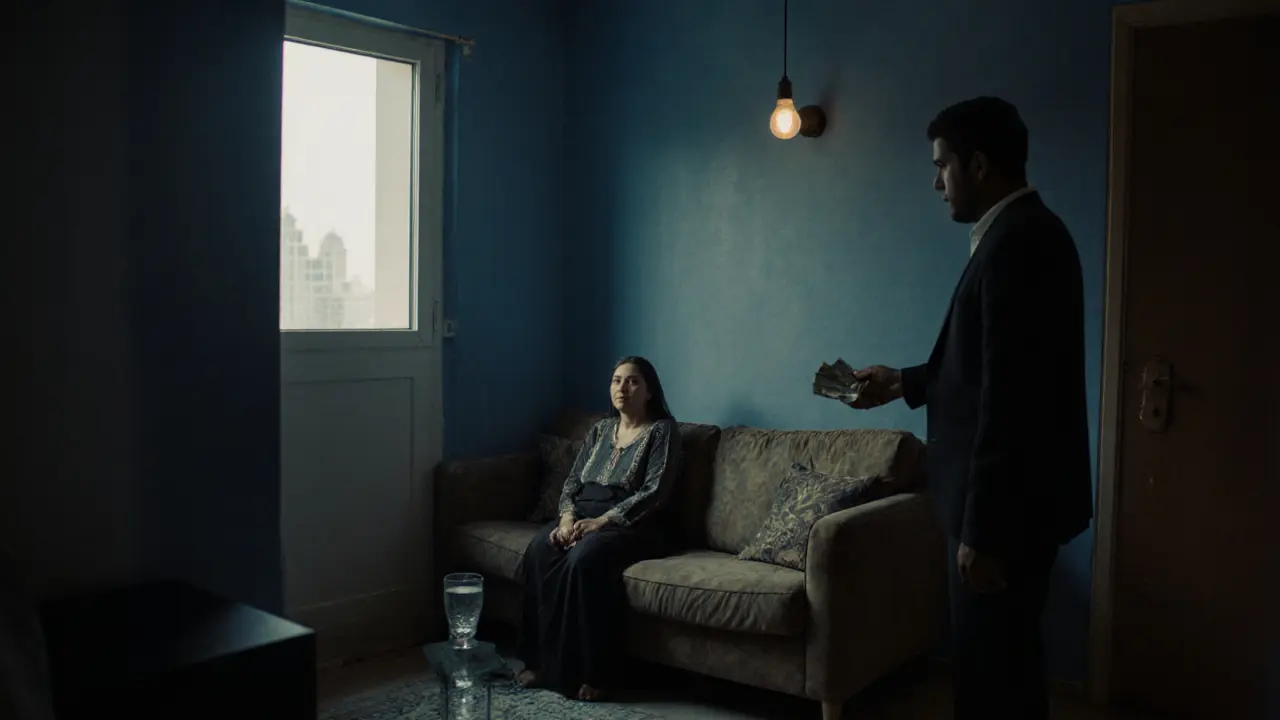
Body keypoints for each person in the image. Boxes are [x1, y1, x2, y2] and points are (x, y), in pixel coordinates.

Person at [850, 97, 1093, 719]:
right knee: (1003, 669)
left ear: (978, 164)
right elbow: (982, 367)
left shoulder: (1018, 244)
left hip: (1004, 517)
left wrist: (983, 531)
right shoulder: (1021, 234)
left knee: (993, 680)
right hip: (1013, 508)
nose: (936, 184)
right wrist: (900, 382)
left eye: (942, 166)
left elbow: (1011, 399)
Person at [515, 356, 682, 702]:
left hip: (635, 521)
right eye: (616, 380)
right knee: (539, 550)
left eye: (633, 381)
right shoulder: (599, 430)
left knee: (584, 560)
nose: (622, 388)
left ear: (650, 390)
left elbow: (655, 492)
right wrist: (565, 520)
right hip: (583, 514)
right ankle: (541, 663)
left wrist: (602, 523)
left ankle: (595, 673)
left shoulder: (663, 431)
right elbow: (573, 481)